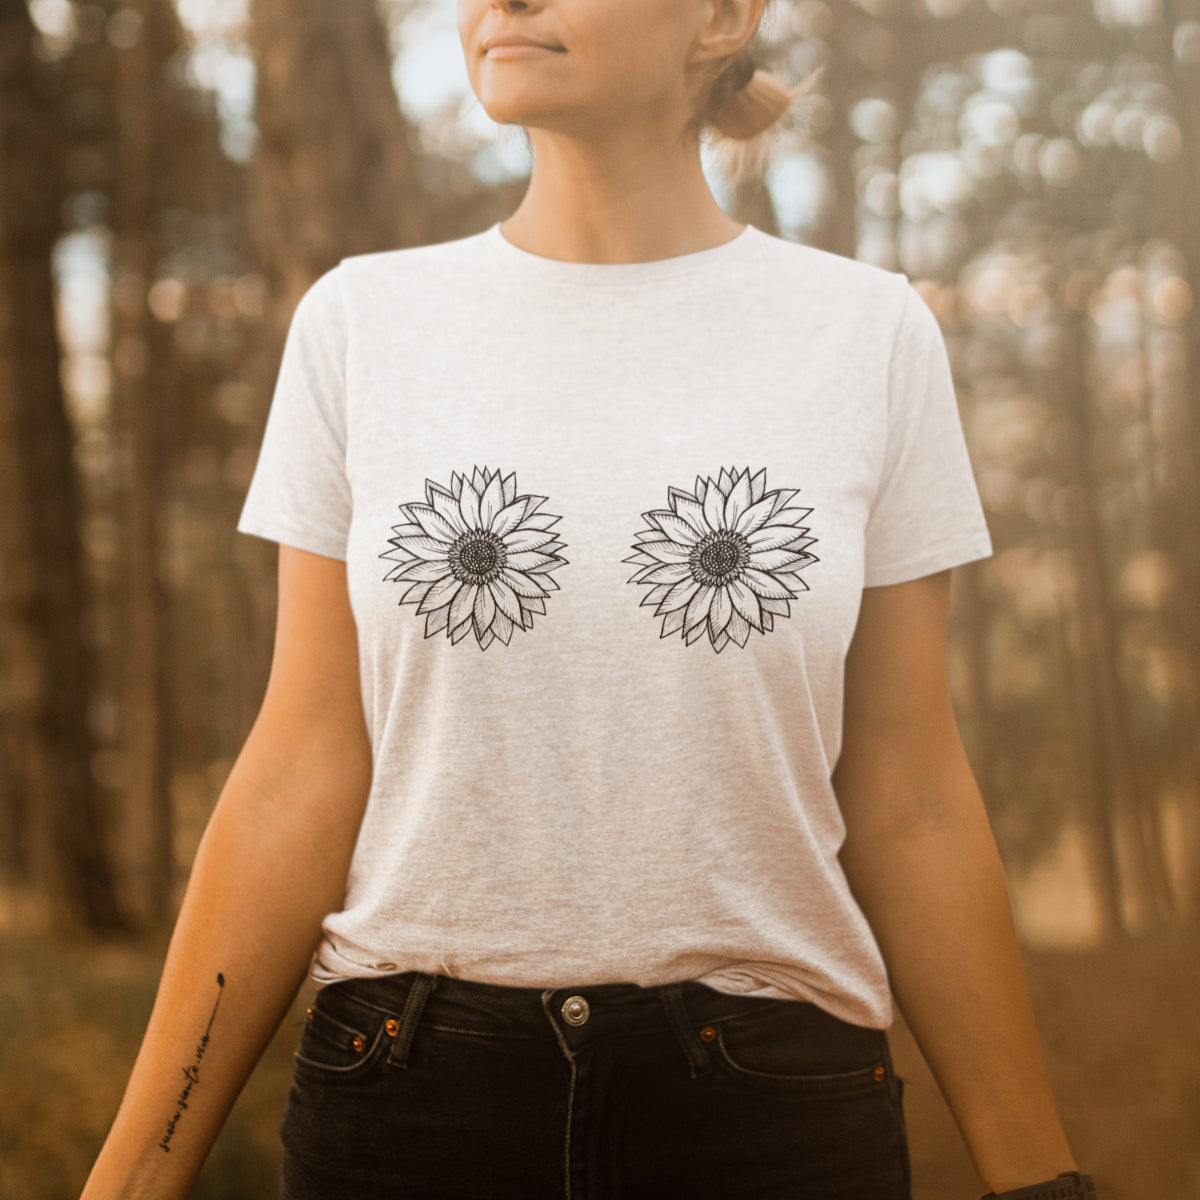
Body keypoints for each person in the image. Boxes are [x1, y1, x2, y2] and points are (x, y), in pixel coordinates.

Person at [80, 0, 1101, 1197]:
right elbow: (302, 765)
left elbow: (910, 793)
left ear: (722, 17)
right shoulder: (361, 325)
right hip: (407, 1107)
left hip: (772, 1116)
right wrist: (130, 1182)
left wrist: (1041, 1183)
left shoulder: (866, 336)